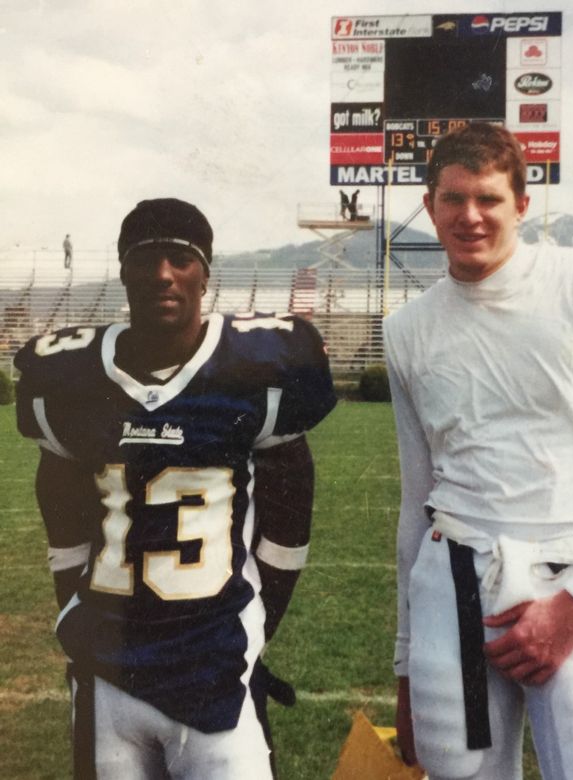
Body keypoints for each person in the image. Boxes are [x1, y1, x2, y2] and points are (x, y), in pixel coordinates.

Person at [383, 124, 573, 779]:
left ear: (522, 205)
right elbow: (418, 500)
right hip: (452, 594)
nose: (470, 216)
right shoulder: (406, 330)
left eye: (490, 199)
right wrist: (406, 665)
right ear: (429, 203)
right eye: (453, 198)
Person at [15, 198, 337, 779]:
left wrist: (257, 621)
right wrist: (69, 599)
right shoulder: (74, 378)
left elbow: (292, 504)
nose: (163, 274)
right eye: (146, 260)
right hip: (109, 670)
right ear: (124, 272)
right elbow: (58, 489)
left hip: (214, 670)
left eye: (179, 259)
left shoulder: (254, 369)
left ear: (205, 273)